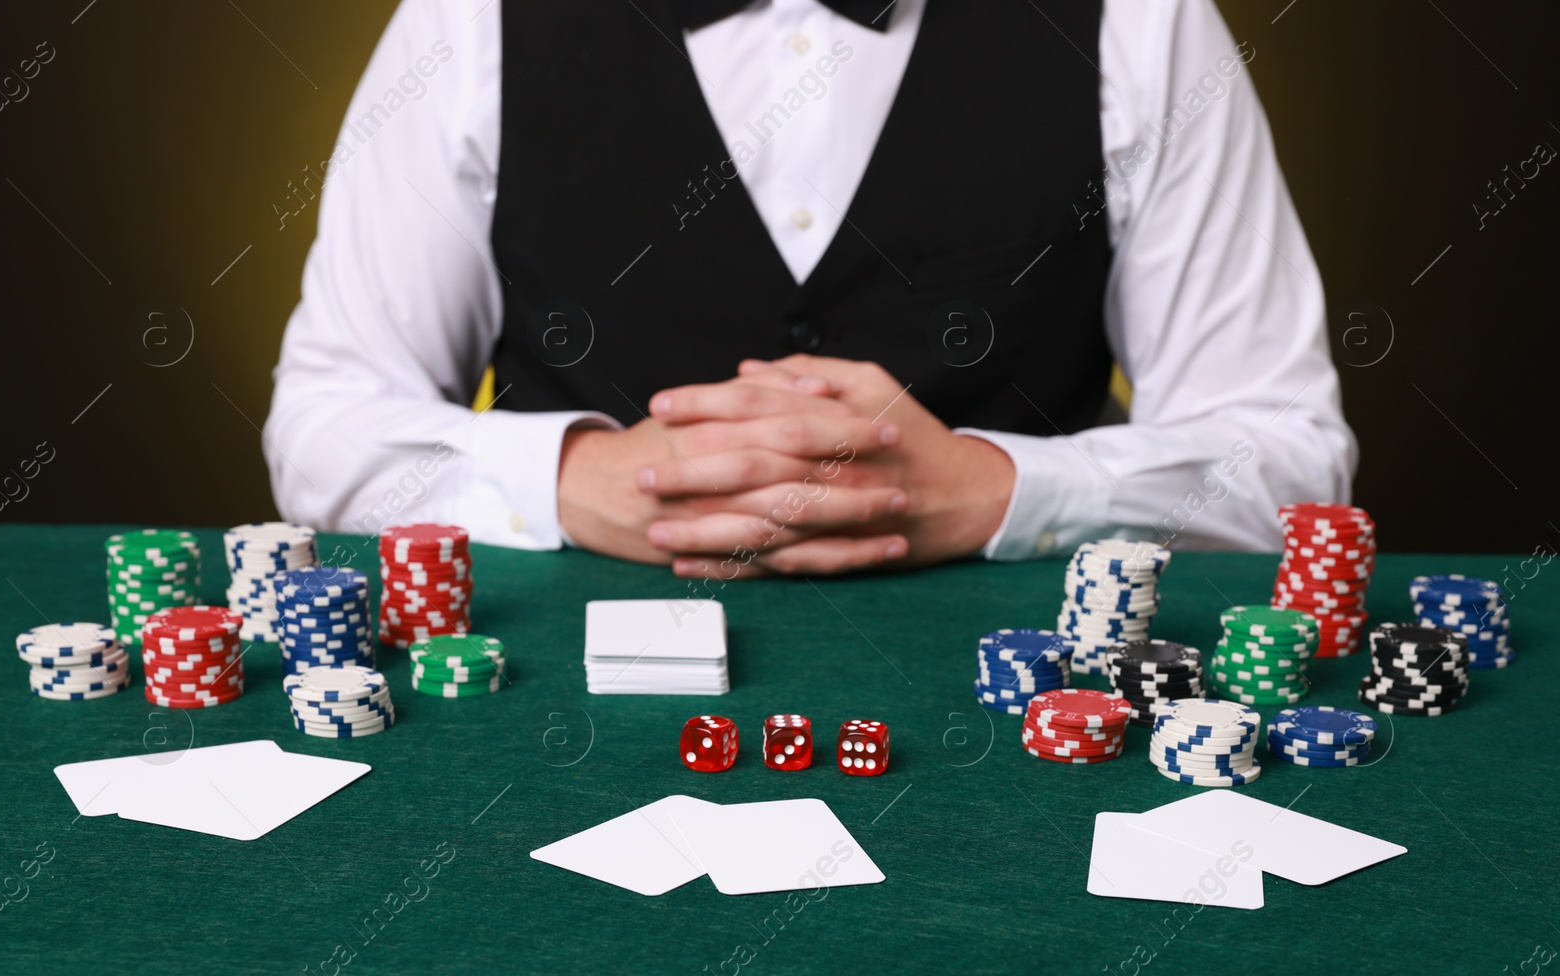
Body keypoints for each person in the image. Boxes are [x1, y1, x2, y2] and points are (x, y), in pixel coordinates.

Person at [265, 0, 1355, 579]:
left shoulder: (1142, 16)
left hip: (1027, 747)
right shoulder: (468, 17)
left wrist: (997, 491)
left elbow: (1285, 462)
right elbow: (321, 432)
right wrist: (573, 476)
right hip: (558, 726)